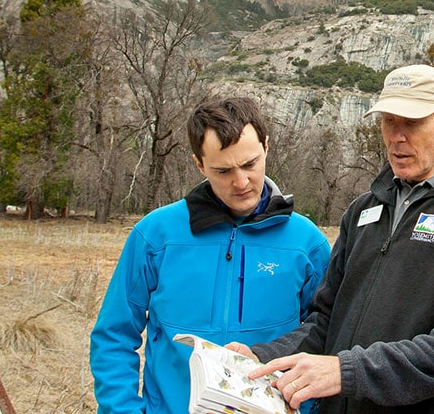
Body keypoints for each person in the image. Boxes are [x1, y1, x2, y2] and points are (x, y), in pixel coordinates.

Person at [229, 64, 434, 414]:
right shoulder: (363, 209)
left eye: (412, 122)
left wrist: (350, 372)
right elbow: (326, 318)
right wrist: (263, 355)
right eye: (389, 121)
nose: (396, 136)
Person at [90, 96, 331, 414]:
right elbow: (114, 335)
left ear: (266, 147)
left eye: (250, 164)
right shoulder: (155, 235)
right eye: (223, 170)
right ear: (199, 164)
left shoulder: (308, 243)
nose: (241, 182)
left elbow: (325, 333)